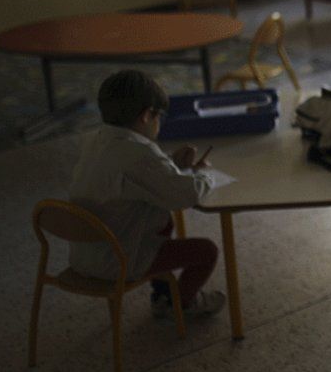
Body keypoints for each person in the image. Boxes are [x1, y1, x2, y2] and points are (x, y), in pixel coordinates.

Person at [69, 70, 225, 319]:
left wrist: (173, 165)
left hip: (86, 254)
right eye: (158, 117)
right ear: (146, 115)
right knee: (206, 251)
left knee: (160, 223)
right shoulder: (139, 154)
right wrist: (206, 175)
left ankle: (163, 292)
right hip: (119, 258)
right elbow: (185, 195)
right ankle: (180, 305)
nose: (158, 123)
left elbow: (140, 180)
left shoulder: (96, 141)